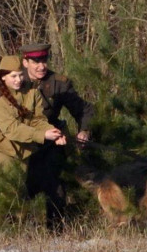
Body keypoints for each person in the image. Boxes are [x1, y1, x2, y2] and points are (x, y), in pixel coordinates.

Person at [20, 42, 95, 228]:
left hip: (50, 141)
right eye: (36, 62)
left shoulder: (58, 83)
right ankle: (18, 227)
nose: (41, 66)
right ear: (25, 62)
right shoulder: (13, 79)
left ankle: (56, 227)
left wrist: (84, 131)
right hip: (19, 140)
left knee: (53, 179)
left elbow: (84, 109)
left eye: (44, 60)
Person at [0, 55, 66, 172]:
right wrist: (43, 135)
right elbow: (11, 129)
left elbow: (38, 120)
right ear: (3, 77)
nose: (19, 79)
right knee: (6, 184)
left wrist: (53, 133)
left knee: (19, 186)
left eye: (21, 75)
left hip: (23, 148)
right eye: (13, 76)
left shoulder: (32, 91)